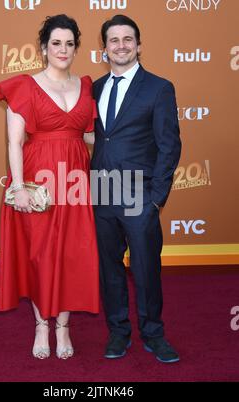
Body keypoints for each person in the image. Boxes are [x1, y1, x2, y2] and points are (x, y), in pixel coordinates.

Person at [0, 14, 99, 360]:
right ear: (43, 48)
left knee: (71, 252)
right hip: (37, 181)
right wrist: (20, 187)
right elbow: (14, 142)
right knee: (39, 254)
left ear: (76, 48)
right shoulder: (24, 87)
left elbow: (90, 134)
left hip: (75, 182)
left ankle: (63, 327)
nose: (63, 49)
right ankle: (42, 324)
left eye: (69, 43)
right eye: (56, 43)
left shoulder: (86, 86)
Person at [91, 15, 182, 363]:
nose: (121, 45)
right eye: (113, 40)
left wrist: (156, 197)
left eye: (128, 39)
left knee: (145, 268)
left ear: (139, 45)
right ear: (104, 50)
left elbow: (169, 145)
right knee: (109, 269)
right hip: (102, 193)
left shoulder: (159, 88)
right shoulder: (95, 89)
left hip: (140, 196)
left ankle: (154, 332)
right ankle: (118, 331)